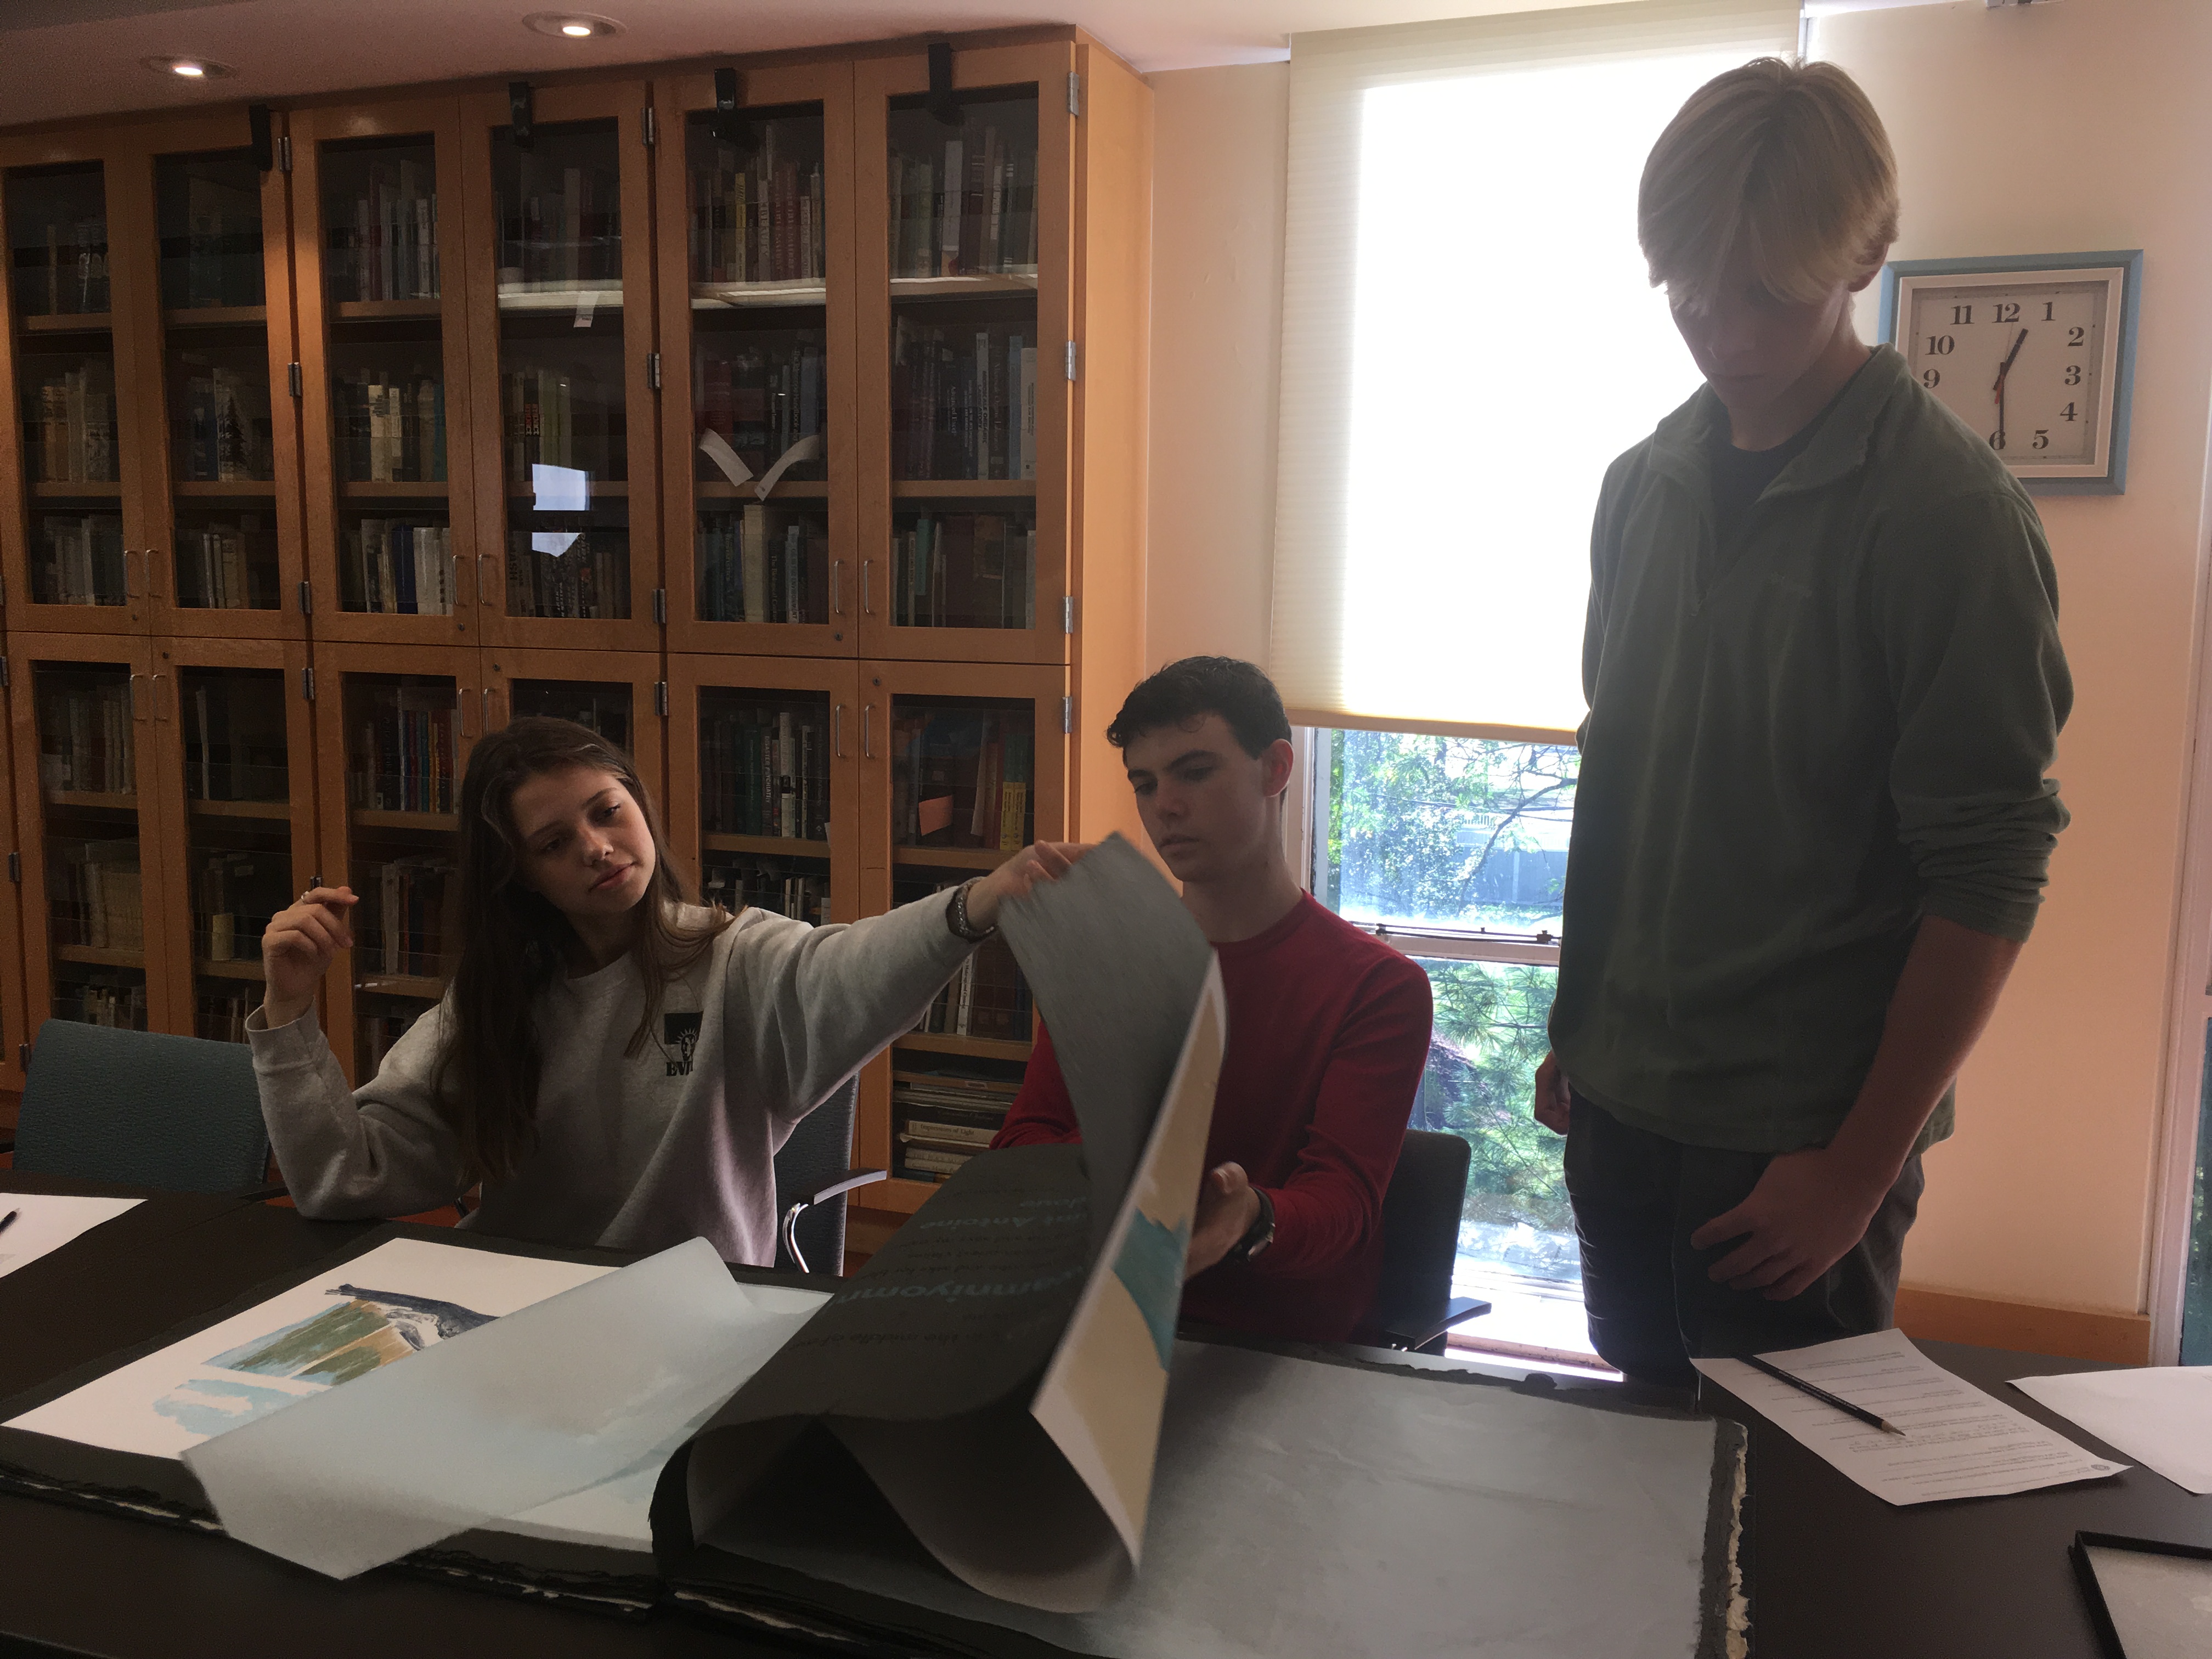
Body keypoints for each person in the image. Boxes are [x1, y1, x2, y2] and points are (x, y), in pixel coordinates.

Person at [1533, 60, 2072, 1386]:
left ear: (1865, 255)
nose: (1726, 333)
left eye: (1770, 293)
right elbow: (1625, 777)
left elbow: (1990, 870)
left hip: (1793, 1138)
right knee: (1637, 1487)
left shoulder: (1949, 518)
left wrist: (1854, 1171)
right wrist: (1572, 1034)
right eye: (1690, 294)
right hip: (1618, 1099)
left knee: (1783, 1534)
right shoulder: (1639, 486)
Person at [253, 716, 1077, 1265]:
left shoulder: (736, 956)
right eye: (554, 842)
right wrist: (290, 1012)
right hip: (522, 1313)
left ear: (640, 807)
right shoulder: (496, 1001)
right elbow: (345, 1179)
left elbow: (850, 967)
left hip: (693, 1321)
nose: (598, 848)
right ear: (523, 877)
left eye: (608, 812)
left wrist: (972, 907)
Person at [991, 658, 1434, 1344]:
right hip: (1097, 1317)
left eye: (1195, 772)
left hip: (1274, 1343)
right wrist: (1122, 1168)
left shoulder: (1377, 987)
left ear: (1275, 769)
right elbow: (1024, 1142)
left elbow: (1341, 1204)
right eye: (1145, 783)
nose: (1164, 806)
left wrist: (1248, 1216)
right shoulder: (1104, 960)